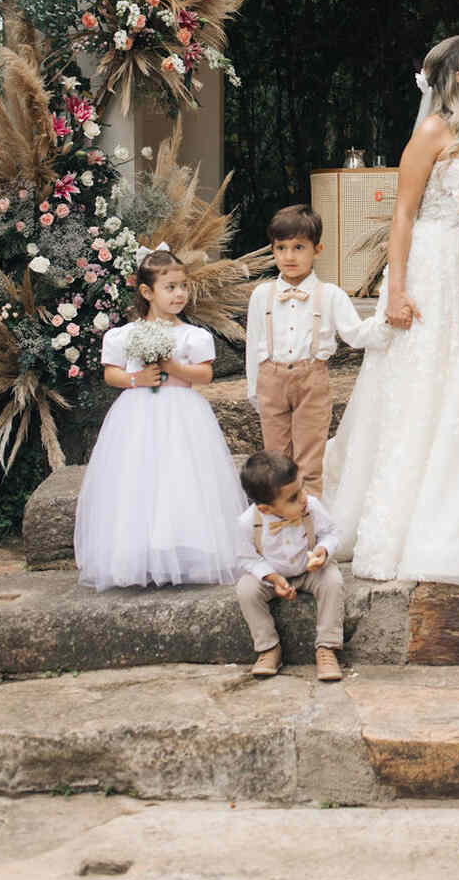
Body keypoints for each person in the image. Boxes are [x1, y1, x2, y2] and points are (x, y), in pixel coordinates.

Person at [324, 35, 459, 585]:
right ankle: (410, 518)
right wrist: (394, 291)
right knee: (428, 381)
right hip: (438, 268)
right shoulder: (432, 132)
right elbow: (403, 215)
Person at [74, 244, 245, 591]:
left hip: (182, 413)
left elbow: (205, 375)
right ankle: (140, 552)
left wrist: (174, 367)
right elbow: (112, 374)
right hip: (137, 414)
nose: (179, 294)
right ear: (147, 292)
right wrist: (137, 379)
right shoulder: (125, 335)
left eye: (183, 286)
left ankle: (184, 551)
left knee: (181, 476)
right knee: (139, 478)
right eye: (170, 287)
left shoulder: (193, 335)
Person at [245, 203, 388, 497]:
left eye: (299, 247)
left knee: (310, 458)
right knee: (275, 457)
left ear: (317, 249)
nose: (289, 256)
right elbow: (254, 343)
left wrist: (388, 322)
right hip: (271, 379)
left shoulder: (331, 295)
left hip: (312, 380)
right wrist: (253, 389)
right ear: (273, 251)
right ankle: (278, 522)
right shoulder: (262, 295)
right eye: (281, 248)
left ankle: (309, 523)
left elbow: (356, 334)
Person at [234, 450, 345, 681]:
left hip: (309, 570)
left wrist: (322, 552)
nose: (303, 498)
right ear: (266, 508)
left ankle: (327, 647)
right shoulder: (248, 523)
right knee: (246, 590)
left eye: (302, 488)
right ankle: (268, 647)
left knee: (333, 581)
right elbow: (247, 558)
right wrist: (272, 578)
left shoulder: (311, 507)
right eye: (293, 497)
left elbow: (332, 534)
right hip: (272, 575)